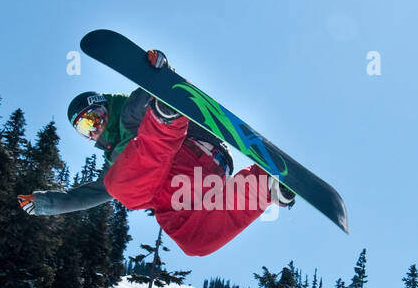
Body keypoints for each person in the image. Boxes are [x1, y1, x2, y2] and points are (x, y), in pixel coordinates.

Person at [17, 50, 295, 257]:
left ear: (104, 106)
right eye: (85, 128)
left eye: (95, 117)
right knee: (193, 241)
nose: (95, 129)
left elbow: (142, 97)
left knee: (120, 178)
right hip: (196, 181)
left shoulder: (125, 113)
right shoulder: (117, 162)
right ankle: (264, 187)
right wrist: (44, 204)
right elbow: (86, 196)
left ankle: (166, 115)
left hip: (185, 149)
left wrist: (161, 78)